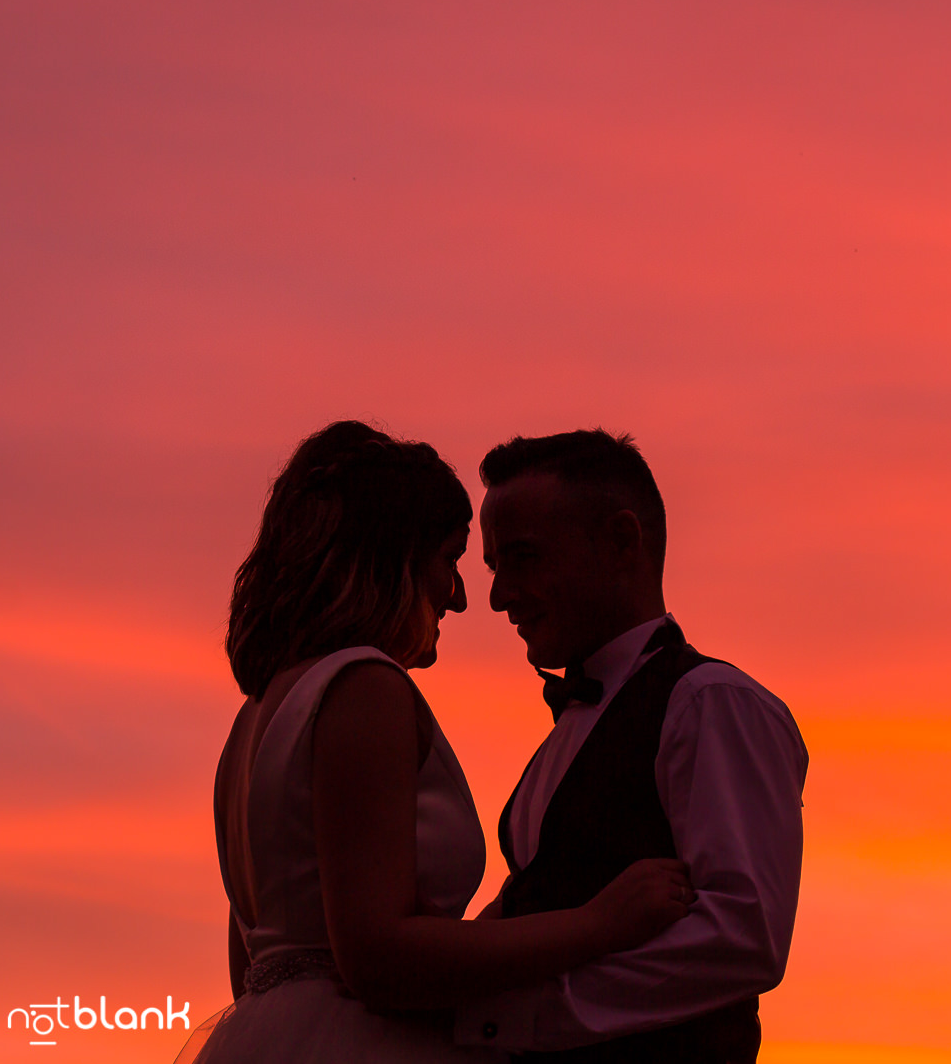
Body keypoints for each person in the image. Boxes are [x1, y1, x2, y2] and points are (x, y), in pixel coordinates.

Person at [179, 421, 697, 1064]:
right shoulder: (365, 686)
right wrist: (598, 924)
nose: (457, 598)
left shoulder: (254, 718)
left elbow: (254, 967)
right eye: (449, 560)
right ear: (389, 559)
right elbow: (378, 958)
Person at [454, 429, 809, 1063]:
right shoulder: (565, 736)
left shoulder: (711, 702)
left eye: (523, 558)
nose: (498, 595)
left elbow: (742, 935)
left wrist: (522, 1017)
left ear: (622, 542)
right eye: (494, 567)